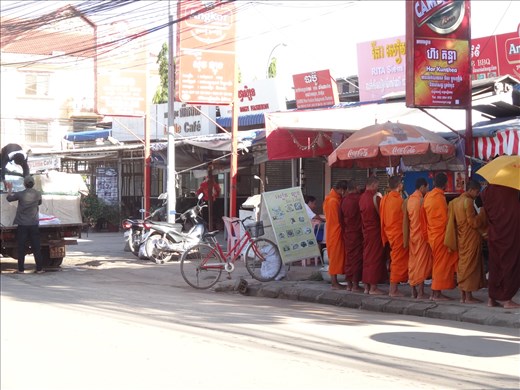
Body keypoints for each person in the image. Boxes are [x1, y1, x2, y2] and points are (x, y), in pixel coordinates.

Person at [445, 180, 487, 303]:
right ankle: (468, 297)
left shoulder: (454, 202)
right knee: (470, 266)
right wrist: (482, 214)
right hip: (470, 238)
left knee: (463, 265)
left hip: (461, 237)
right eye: (477, 192)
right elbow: (473, 223)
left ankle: (463, 296)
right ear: (471, 190)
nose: (477, 194)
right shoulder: (468, 202)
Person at [481, 184, 520, 309]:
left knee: (495, 265)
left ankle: (491, 299)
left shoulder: (487, 190)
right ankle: (507, 299)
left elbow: (484, 206)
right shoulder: (510, 189)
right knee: (509, 265)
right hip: (509, 232)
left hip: (494, 232)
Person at [423, 172, 458, 301]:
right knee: (440, 265)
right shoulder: (440, 198)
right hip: (440, 235)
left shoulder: (428, 196)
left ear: (433, 183)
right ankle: (436, 293)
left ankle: (435, 292)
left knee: (438, 263)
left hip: (432, 235)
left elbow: (424, 217)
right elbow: (445, 220)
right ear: (446, 184)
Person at [5, 175, 44, 274]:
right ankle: (39, 269)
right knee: (36, 247)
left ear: (24, 184)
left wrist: (10, 189)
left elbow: (9, 198)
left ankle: (21, 269)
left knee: (21, 247)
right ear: (33, 184)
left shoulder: (20, 194)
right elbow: (39, 203)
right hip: (34, 224)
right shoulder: (38, 194)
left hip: (22, 225)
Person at [380, 176, 409, 297]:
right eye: (401, 183)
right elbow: (405, 218)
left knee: (395, 260)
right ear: (399, 185)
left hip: (389, 233)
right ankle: (393, 289)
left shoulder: (385, 199)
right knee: (397, 261)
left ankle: (394, 288)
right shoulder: (399, 201)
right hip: (398, 234)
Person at [404, 178, 432, 299]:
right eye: (427, 187)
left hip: (412, 235)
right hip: (420, 235)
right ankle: (420, 292)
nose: (428, 190)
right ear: (422, 187)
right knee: (421, 263)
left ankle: (412, 291)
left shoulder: (409, 199)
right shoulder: (421, 200)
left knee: (413, 262)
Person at [359, 176, 387, 295]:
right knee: (375, 258)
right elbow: (382, 215)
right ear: (373, 185)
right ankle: (373, 287)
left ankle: (366, 287)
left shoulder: (361, 198)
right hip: (375, 231)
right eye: (377, 185)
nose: (377, 188)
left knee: (367, 258)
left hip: (366, 231)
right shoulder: (375, 197)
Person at [323, 180, 349, 290]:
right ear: (342, 190)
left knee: (337, 257)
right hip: (335, 232)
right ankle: (334, 283)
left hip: (334, 231)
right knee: (334, 258)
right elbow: (337, 220)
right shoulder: (333, 201)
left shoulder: (334, 199)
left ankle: (336, 282)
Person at [341, 180, 364, 292]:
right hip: (357, 232)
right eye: (358, 186)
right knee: (356, 259)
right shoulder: (358, 199)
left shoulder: (344, 200)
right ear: (355, 187)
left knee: (349, 258)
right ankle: (355, 285)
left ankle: (349, 284)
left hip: (347, 232)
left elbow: (341, 219)